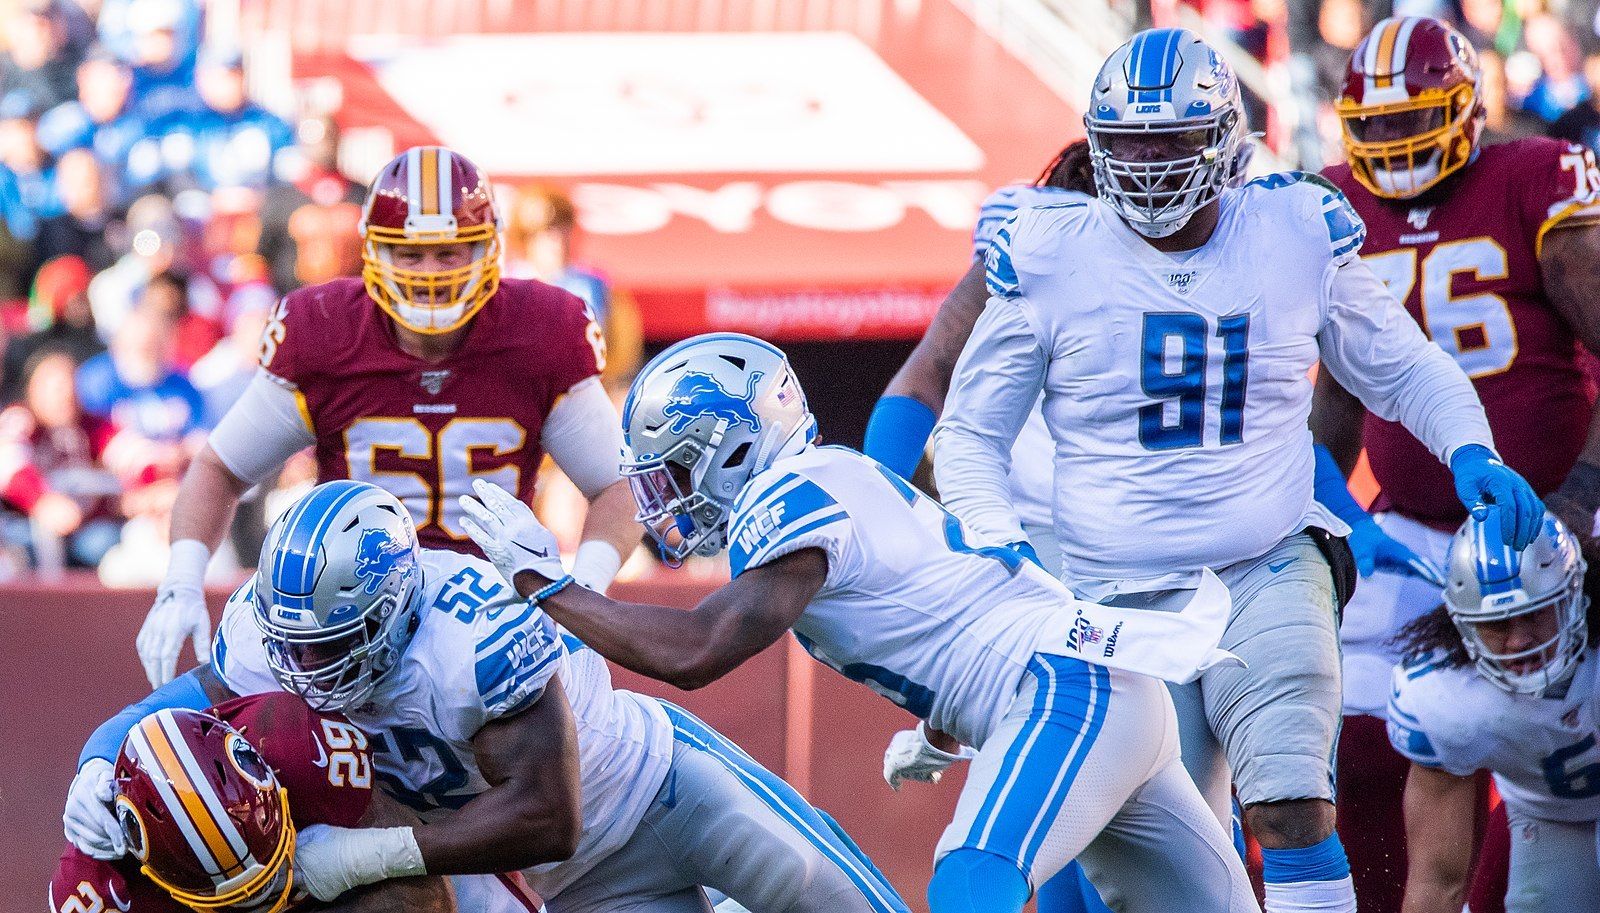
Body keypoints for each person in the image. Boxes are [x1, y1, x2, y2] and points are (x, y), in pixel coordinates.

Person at [931, 27, 1544, 913]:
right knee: (1166, 865)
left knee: (1293, 805)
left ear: (1223, 137)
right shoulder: (1049, 251)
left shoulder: (1291, 229)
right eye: (1129, 144)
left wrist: (1470, 447)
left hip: (1267, 561)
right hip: (1111, 593)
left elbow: (1402, 364)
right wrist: (997, 547)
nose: (1148, 165)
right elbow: (968, 434)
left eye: (1171, 140)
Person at [457, 332, 1260, 913]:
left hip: (1066, 692)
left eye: (672, 470)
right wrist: (942, 728)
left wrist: (547, 583)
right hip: (1097, 686)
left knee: (971, 881)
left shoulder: (788, 495)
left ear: (731, 449)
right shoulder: (835, 479)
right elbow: (963, 608)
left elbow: (697, 650)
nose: (663, 498)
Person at [74, 478, 906, 912]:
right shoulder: (274, 636)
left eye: (328, 643)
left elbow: (551, 813)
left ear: (393, 610)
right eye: (292, 642)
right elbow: (174, 709)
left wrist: (359, 855)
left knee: (839, 897)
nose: (302, 668)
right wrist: (98, 763)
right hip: (579, 884)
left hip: (661, 788)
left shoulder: (467, 635)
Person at [134, 146, 642, 689]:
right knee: (191, 714)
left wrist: (582, 595)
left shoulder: (541, 330)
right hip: (347, 623)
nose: (430, 275)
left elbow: (621, 485)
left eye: (449, 253)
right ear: (374, 249)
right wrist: (181, 582)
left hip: (493, 623)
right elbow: (220, 469)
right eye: (410, 254)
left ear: (488, 248)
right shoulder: (322, 330)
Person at [1314, 17, 1600, 913]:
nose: (1395, 142)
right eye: (1377, 126)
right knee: (1357, 735)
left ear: (1465, 109)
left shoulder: (1534, 176)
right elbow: (1338, 395)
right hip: (1407, 528)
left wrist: (1582, 496)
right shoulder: (1334, 206)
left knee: (1551, 740)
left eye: (1412, 119)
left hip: (1544, 520)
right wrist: (1319, 515)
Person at [54, 692, 468, 912]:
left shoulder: (297, 745)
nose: (259, 898)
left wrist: (352, 859)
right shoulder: (94, 888)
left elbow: (423, 892)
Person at [1386, 512, 1599, 913]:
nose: (1519, 641)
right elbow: (1436, 882)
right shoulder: (1444, 698)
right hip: (1552, 819)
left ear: (1574, 596)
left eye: (1535, 614)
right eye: (1498, 624)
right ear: (1464, 625)